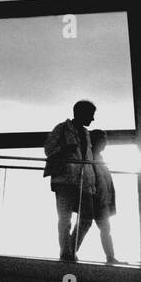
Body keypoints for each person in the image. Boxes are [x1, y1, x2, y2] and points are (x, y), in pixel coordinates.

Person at [44, 99, 96, 260]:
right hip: (65, 179)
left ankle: (70, 249)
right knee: (65, 219)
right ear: (81, 113)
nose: (93, 119)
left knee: (86, 217)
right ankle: (67, 252)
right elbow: (48, 149)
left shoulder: (86, 133)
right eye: (91, 115)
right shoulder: (61, 129)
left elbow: (88, 158)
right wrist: (64, 149)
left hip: (82, 180)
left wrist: (92, 181)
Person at [81, 130, 119, 264]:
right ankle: (110, 257)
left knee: (93, 226)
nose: (106, 143)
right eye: (104, 140)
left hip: (100, 198)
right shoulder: (93, 158)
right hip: (96, 198)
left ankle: (110, 257)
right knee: (88, 225)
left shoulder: (97, 158)